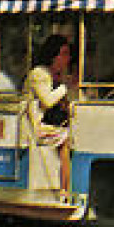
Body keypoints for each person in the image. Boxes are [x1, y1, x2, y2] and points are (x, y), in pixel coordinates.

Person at [25, 34, 76, 199]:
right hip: (34, 126)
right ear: (53, 55)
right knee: (67, 140)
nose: (67, 58)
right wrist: (65, 87)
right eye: (64, 53)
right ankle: (65, 189)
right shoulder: (39, 74)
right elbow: (47, 101)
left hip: (50, 123)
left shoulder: (56, 75)